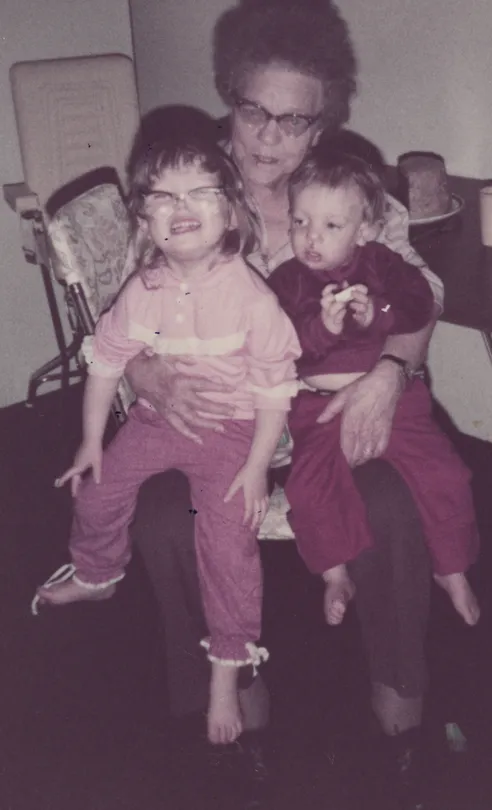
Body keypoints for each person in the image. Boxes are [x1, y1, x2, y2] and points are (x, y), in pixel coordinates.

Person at [125, 2, 450, 808]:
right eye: (253, 111)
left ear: (321, 125)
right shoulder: (182, 185)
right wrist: (144, 374)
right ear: (229, 97)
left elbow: (424, 291)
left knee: (394, 499)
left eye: (293, 120)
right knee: (169, 518)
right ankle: (238, 720)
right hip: (215, 425)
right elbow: (122, 311)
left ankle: (402, 720)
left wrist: (390, 375)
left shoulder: (350, 193)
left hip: (326, 415)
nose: (268, 138)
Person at [31, 134, 301, 746]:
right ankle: (98, 574)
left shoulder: (252, 298)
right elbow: (105, 363)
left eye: (201, 193)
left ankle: (226, 672)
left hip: (234, 431)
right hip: (157, 420)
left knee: (225, 541)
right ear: (145, 218)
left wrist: (258, 466)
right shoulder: (143, 288)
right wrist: (91, 442)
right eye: (164, 196)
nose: (182, 205)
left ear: (230, 211)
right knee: (95, 490)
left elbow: (273, 391)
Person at [268, 149, 480, 628]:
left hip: (394, 400)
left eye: (330, 226)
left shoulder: (383, 264)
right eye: (300, 222)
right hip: (315, 408)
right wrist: (319, 328)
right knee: (309, 487)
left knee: (444, 474)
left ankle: (452, 567)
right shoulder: (287, 281)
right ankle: (335, 574)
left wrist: (377, 313)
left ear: (364, 230)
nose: (311, 238)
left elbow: (419, 304)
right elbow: (281, 347)